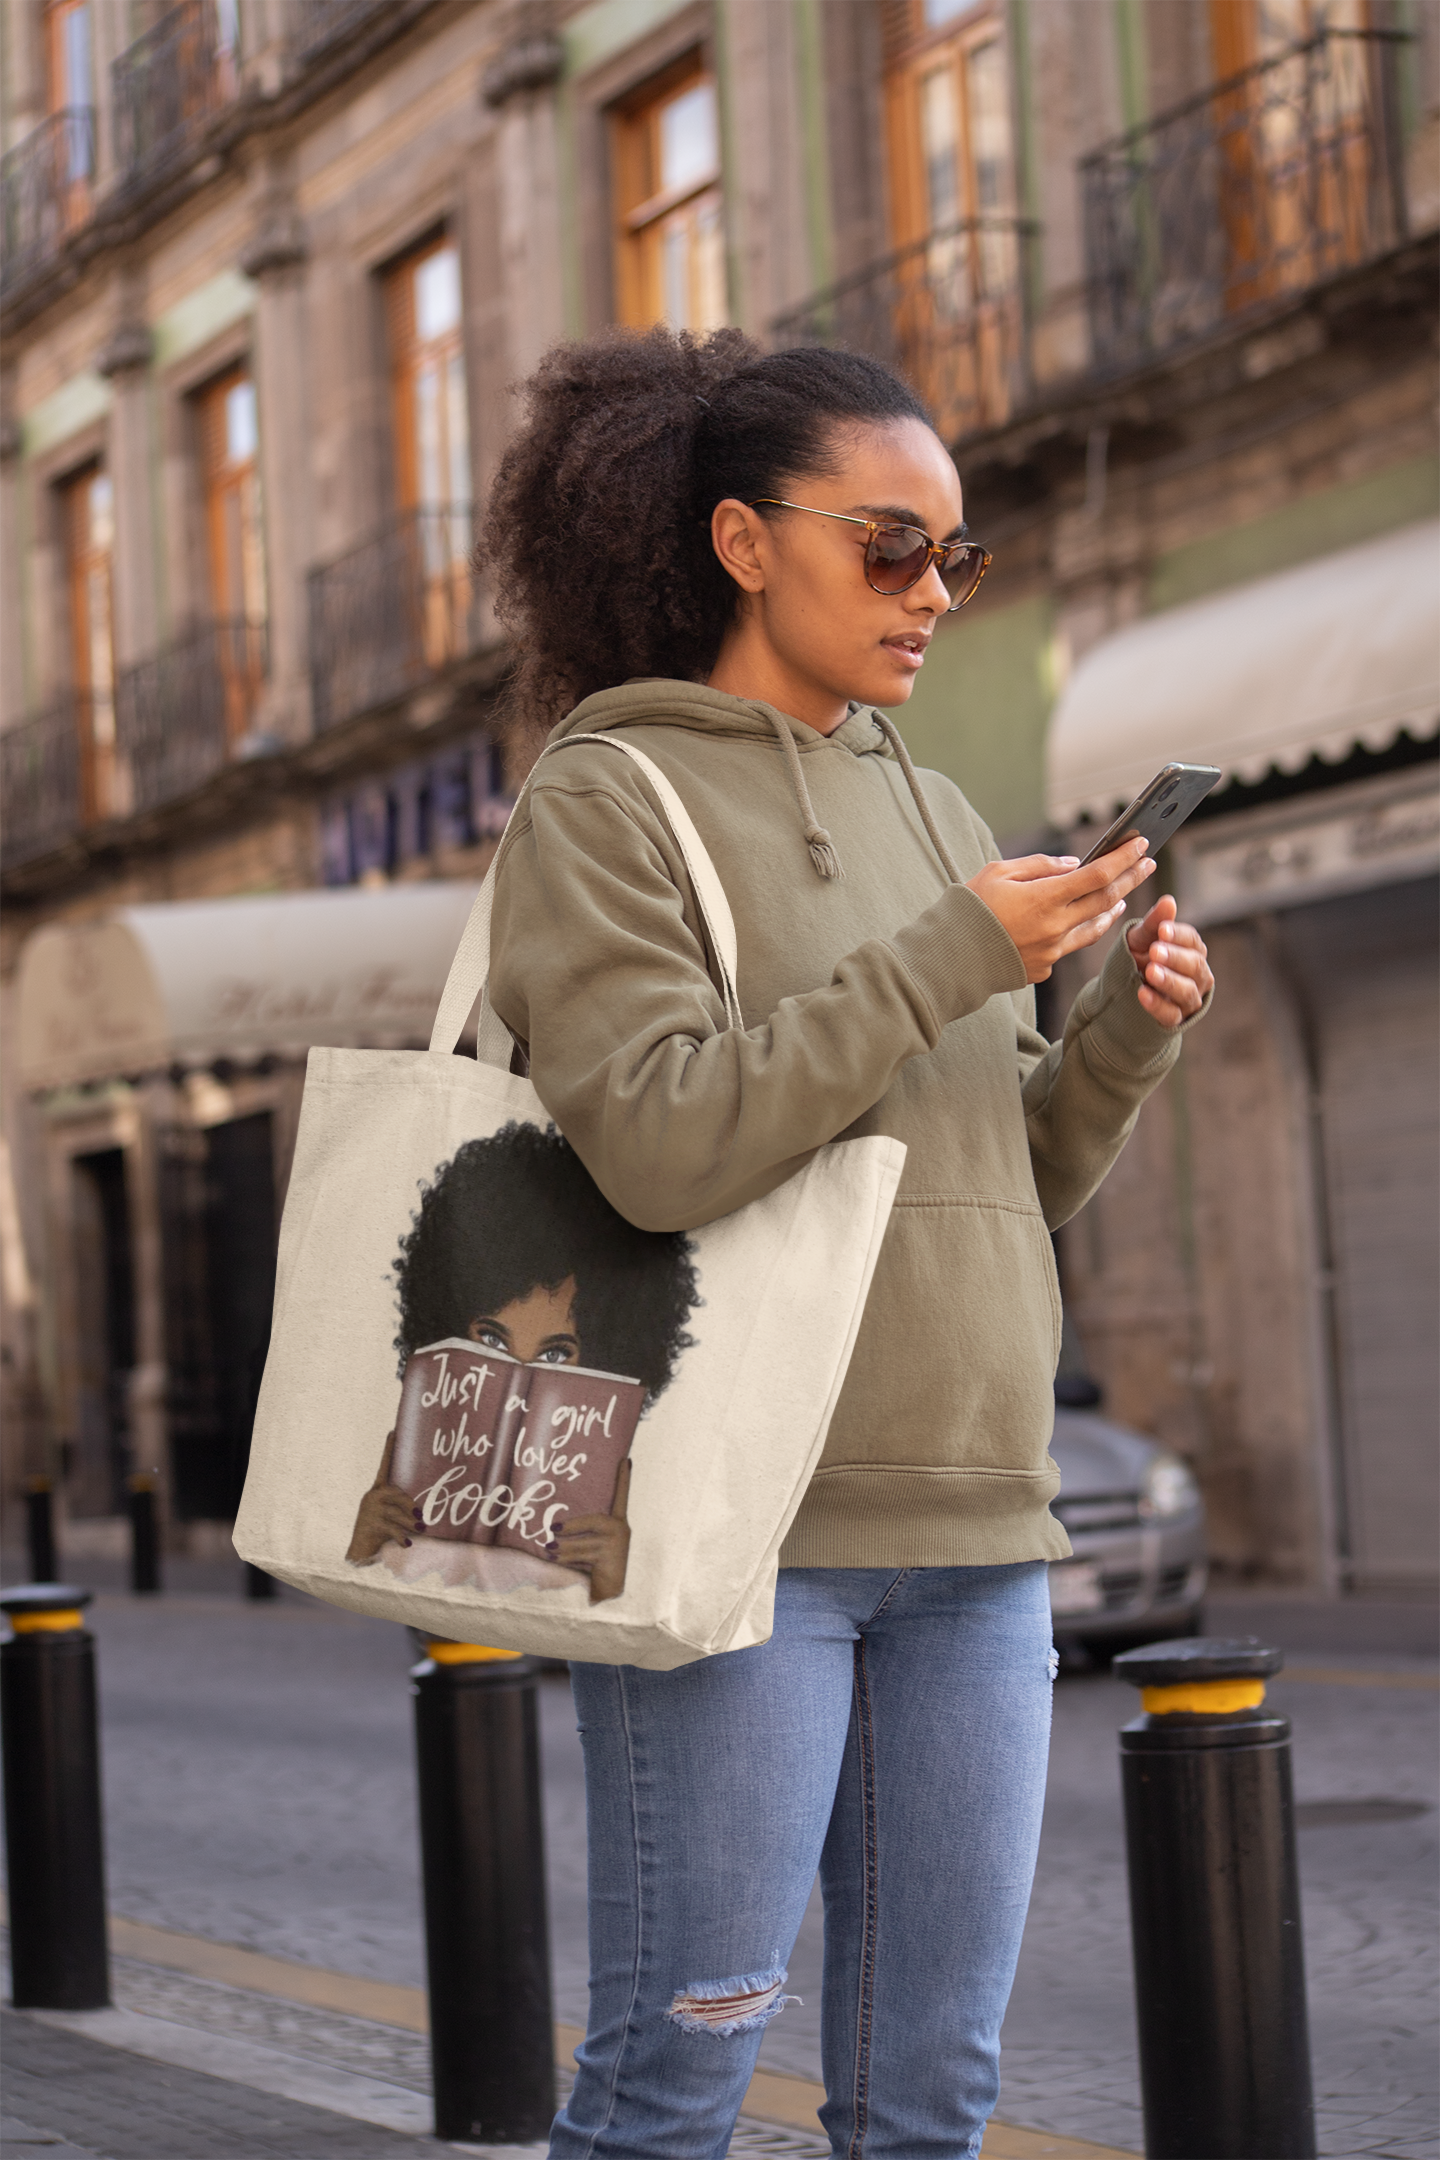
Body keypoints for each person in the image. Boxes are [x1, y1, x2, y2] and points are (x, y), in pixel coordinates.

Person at [477, 326, 1214, 2159]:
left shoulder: (939, 812)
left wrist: (1116, 1038)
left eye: (955, 557)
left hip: (981, 1527)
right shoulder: (608, 797)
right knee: (672, 2091)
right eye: (890, 548)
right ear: (743, 542)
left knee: (929, 2100)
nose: (933, 595)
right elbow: (657, 1141)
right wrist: (955, 954)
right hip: (744, 1541)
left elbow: (1002, 1183)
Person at [345, 1122, 698, 1598]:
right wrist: (362, 1544)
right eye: (491, 1340)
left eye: (555, 1353)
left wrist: (612, 1579)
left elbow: (620, 1626)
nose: (518, 1377)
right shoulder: (397, 1492)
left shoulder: (613, 1502)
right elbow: (354, 1580)